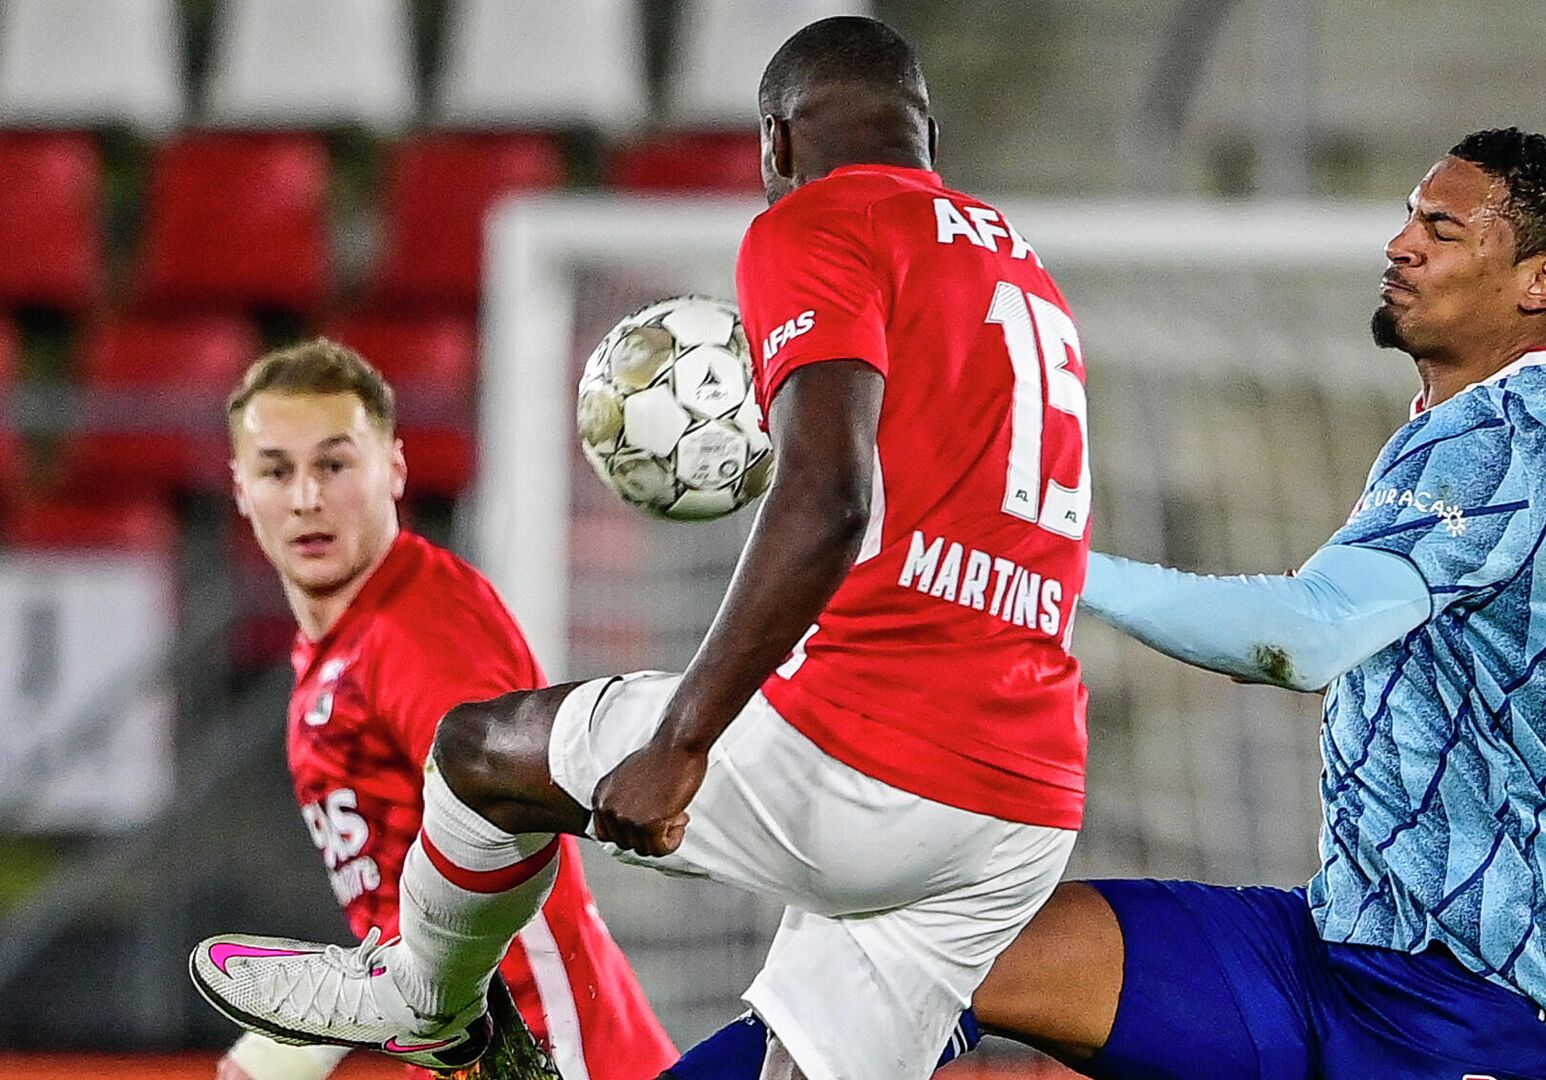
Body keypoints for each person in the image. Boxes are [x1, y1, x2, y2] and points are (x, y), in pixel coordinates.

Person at [668, 128, 1546, 1080]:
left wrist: (1054, 566)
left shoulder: (1497, 441)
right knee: (924, 954)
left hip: (1474, 1011)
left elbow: (1304, 639)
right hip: (1328, 950)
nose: (1401, 244)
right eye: (1408, 216)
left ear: (1542, 280)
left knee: (912, 956)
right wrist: (1512, 655)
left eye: (1442, 229)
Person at [190, 15, 1094, 1080]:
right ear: (927, 138)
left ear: (774, 143)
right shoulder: (1024, 271)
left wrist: (683, 738)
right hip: (1024, 810)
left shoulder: (816, 223)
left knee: (478, 753)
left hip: (880, 765)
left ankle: (422, 995)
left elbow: (827, 496)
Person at [210, 341, 677, 1080]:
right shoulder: (346, 640)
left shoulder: (417, 631)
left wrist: (317, 1029)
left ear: (393, 467)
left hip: (550, 1046)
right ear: (239, 487)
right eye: (276, 470)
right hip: (471, 1046)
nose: (306, 497)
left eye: (334, 464)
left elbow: (502, 826)